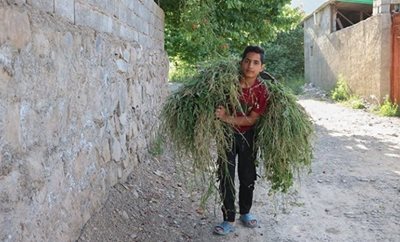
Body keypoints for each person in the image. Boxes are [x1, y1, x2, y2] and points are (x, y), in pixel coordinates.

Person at [213, 45, 269, 235]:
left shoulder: (262, 90)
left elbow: (252, 119)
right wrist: (220, 114)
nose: (250, 66)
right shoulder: (228, 83)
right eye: (247, 61)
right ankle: (228, 218)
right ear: (241, 62)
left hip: (248, 136)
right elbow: (217, 107)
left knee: (247, 176)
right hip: (226, 135)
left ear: (262, 67)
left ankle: (245, 211)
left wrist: (227, 117)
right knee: (226, 176)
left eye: (255, 62)